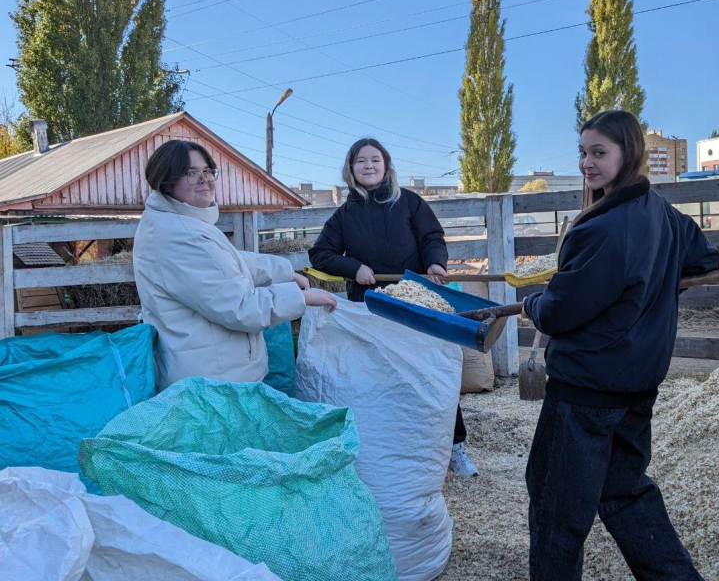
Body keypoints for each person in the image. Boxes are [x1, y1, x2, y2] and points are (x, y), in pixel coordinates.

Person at [522, 111, 718, 580]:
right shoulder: (663, 214)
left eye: (599, 153)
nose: (588, 163)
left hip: (586, 390)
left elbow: (560, 311)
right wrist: (650, 288)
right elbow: (704, 258)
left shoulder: (601, 229)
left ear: (628, 153)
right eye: (583, 153)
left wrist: (533, 302)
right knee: (625, 494)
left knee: (556, 509)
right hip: (636, 384)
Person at [309, 137, 478, 477]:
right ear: (350, 169)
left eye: (375, 160)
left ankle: (454, 448)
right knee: (380, 377)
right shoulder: (345, 215)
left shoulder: (410, 202)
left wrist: (434, 264)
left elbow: (432, 237)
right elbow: (320, 254)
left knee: (431, 373)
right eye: (361, 161)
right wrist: (354, 268)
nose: (368, 166)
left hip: (415, 302)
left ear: (386, 166)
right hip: (371, 306)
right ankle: (394, 448)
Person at [134, 139, 336, 391]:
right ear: (166, 181)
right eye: (191, 173)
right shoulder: (179, 236)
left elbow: (229, 263)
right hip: (214, 387)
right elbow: (240, 306)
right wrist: (302, 298)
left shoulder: (180, 223)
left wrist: (284, 272)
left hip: (211, 374)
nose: (204, 179)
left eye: (208, 171)